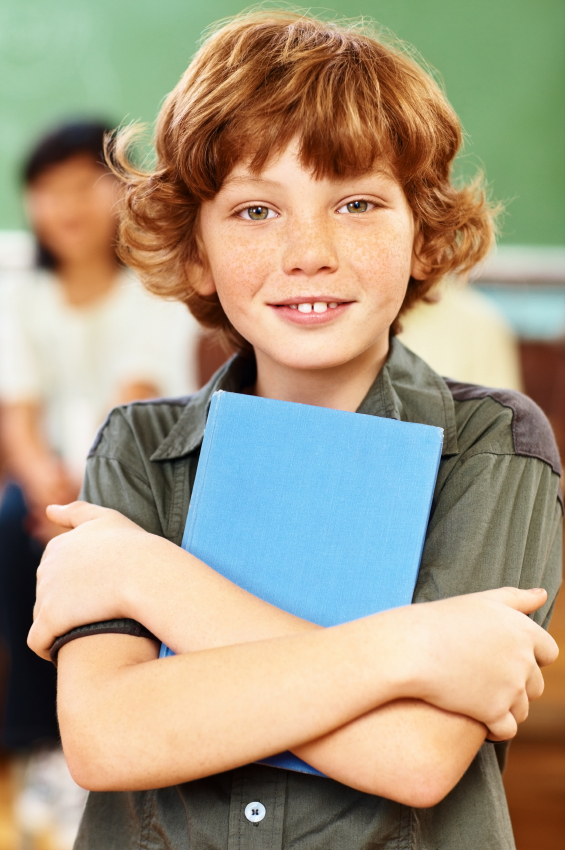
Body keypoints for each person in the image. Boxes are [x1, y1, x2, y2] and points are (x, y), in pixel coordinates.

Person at [28, 14, 561, 850]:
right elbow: (106, 736)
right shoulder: (135, 448)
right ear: (196, 250)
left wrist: (148, 578)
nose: (307, 250)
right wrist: (414, 652)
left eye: (355, 202)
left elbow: (415, 754)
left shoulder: (494, 442)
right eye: (253, 211)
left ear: (419, 232)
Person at [0, 119, 198, 847]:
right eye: (47, 190)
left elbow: (134, 403)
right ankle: (44, 749)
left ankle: (138, 739)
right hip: (48, 487)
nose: (67, 205)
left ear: (126, 190)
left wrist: (85, 501)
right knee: (14, 528)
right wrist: (50, 493)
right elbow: (18, 419)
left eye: (86, 184)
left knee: (114, 547)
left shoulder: (155, 290)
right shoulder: (18, 299)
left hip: (144, 479)